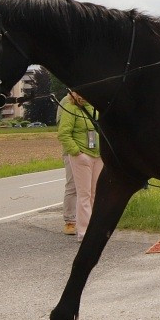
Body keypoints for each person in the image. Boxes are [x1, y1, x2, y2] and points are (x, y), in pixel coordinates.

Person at [56, 90, 103, 243]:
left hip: (97, 155)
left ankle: (94, 229)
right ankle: (83, 232)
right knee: (84, 194)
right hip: (81, 156)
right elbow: (64, 133)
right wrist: (77, 153)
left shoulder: (93, 108)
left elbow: (100, 130)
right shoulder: (70, 108)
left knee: (95, 194)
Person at [62, 147, 77, 236]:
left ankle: (91, 220)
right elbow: (64, 134)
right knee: (73, 186)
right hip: (74, 151)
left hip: (94, 150)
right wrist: (74, 150)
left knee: (93, 187)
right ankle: (70, 222)